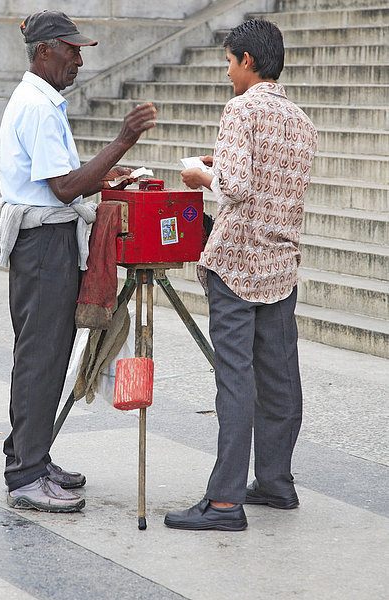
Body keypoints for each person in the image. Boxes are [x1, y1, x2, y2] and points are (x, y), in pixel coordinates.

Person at [0, 10, 156, 513]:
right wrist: (122, 142)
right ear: (44, 51)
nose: (79, 60)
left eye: (81, 51)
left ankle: (30, 456)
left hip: (47, 241)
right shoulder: (38, 107)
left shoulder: (41, 101)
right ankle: (25, 476)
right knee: (42, 356)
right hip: (43, 246)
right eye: (72, 50)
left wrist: (105, 174)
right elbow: (63, 188)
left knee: (44, 353)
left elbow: (63, 179)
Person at [164, 19, 317, 531]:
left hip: (237, 264)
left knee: (234, 379)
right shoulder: (301, 121)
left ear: (248, 60)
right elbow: (269, 182)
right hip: (280, 267)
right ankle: (276, 482)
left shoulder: (241, 108)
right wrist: (223, 166)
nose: (228, 73)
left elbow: (233, 186)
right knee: (279, 377)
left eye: (229, 62)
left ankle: (225, 502)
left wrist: (199, 175)